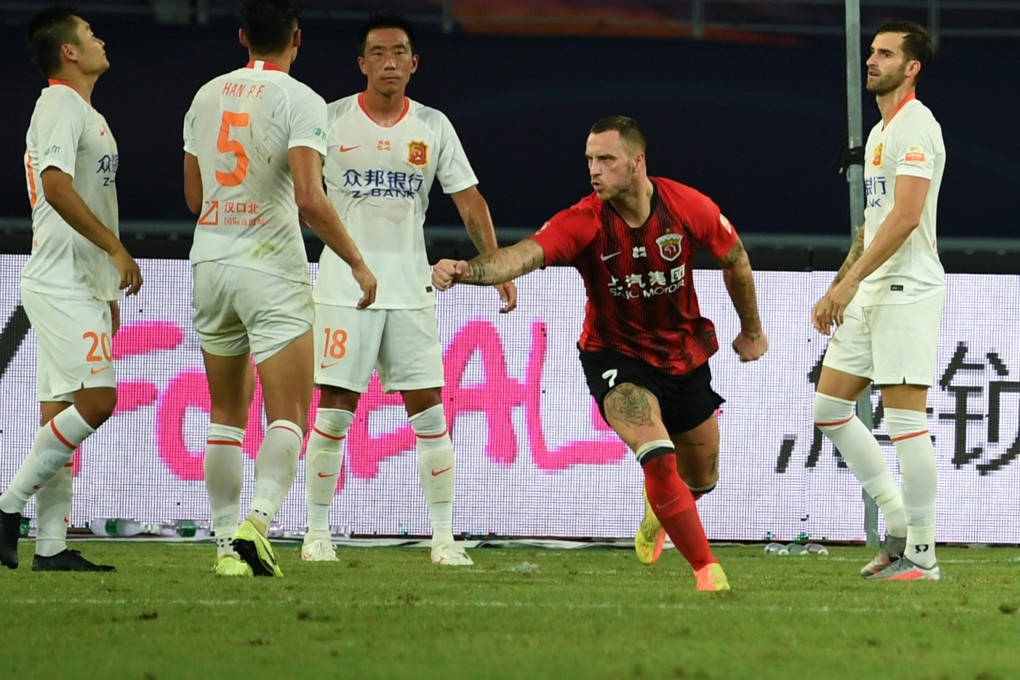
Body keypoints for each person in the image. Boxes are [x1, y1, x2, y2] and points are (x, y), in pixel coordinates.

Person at [432, 115, 766, 590]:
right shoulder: (584, 221)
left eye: (606, 159)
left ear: (637, 161)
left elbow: (735, 259)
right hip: (615, 354)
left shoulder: (686, 205)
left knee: (703, 478)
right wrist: (467, 270)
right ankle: (706, 570)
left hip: (683, 354)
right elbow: (523, 254)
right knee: (656, 455)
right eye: (589, 159)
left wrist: (751, 330)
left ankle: (658, 510)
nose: (594, 169)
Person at [301, 12, 516, 566]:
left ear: (415, 63)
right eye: (378, 52)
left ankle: (443, 539)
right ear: (361, 63)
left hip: (412, 288)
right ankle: (316, 533)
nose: (389, 61)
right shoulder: (329, 120)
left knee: (430, 414)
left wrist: (496, 267)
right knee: (335, 411)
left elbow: (469, 199)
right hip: (343, 288)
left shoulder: (433, 126)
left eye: (399, 52)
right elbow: (296, 193)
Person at [183, 0, 376, 578]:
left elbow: (195, 199)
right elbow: (310, 197)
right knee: (289, 413)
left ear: (242, 36)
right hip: (270, 266)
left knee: (224, 415)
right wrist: (359, 264)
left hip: (211, 261)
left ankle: (223, 549)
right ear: (297, 38)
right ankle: (257, 524)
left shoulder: (204, 94)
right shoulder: (302, 100)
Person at [0, 5, 143, 572]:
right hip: (59, 280)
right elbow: (55, 184)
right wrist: (114, 247)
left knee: (58, 414)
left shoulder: (86, 111)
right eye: (89, 35)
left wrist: (105, 285)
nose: (99, 39)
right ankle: (7, 506)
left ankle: (51, 546)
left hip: (78, 281)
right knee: (98, 401)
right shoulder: (58, 102)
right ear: (69, 52)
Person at [811, 21, 944, 581]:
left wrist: (849, 284)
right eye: (871, 51)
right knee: (830, 410)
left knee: (907, 421)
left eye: (885, 53)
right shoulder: (879, 133)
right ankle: (894, 524)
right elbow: (872, 222)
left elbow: (906, 217)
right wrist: (841, 281)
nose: (872, 60)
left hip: (907, 290)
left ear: (911, 67)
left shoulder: (917, 128)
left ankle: (923, 553)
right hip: (870, 290)